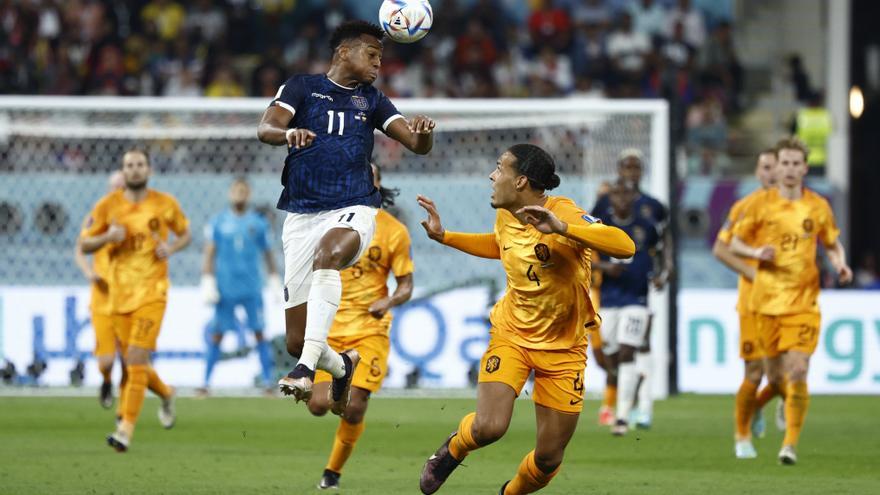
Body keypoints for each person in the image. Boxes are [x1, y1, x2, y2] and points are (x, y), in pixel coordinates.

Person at [417, 144, 635, 495]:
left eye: (499, 168)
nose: (492, 175)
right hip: (512, 335)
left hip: (564, 349)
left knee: (549, 458)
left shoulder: (563, 211)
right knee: (489, 427)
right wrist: (446, 237)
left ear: (520, 181)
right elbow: (499, 244)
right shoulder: (505, 213)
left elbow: (625, 246)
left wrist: (563, 228)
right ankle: (453, 449)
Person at [257, 20, 434, 414]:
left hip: (354, 206)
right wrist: (288, 135)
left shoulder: (372, 100)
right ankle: (341, 366)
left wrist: (424, 134)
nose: (377, 64)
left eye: (380, 57)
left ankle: (305, 369)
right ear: (343, 52)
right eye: (371, 55)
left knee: (328, 255)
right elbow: (266, 127)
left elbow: (416, 144)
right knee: (295, 338)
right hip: (301, 214)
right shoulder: (301, 87)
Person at [730, 137, 852, 465]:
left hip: (803, 304)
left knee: (798, 370)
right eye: (784, 163)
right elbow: (735, 244)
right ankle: (754, 412)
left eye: (796, 163)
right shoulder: (758, 204)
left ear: (804, 168)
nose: (789, 169)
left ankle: (789, 445)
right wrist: (756, 253)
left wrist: (840, 262)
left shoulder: (817, 206)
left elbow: (831, 243)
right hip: (765, 303)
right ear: (777, 166)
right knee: (773, 377)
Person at [307, 163, 414, 490]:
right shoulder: (328, 224)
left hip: (369, 330)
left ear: (378, 186)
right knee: (317, 406)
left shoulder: (394, 230)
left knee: (353, 408)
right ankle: (343, 369)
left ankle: (332, 473)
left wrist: (389, 301)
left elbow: (406, 285)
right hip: (331, 327)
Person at [79, 149, 192, 452]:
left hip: (152, 294)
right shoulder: (107, 206)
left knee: (136, 360)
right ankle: (166, 394)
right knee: (131, 363)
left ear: (149, 170)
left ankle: (125, 429)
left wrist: (172, 248)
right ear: (123, 170)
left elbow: (185, 233)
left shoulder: (165, 203)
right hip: (118, 297)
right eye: (129, 165)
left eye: (140, 164)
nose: (134, 169)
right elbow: (84, 243)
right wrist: (106, 238)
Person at [592, 149, 671, 428]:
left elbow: (663, 242)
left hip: (638, 294)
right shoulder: (602, 209)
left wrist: (664, 271)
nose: (631, 173)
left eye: (636, 167)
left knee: (631, 349)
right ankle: (631, 388)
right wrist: (601, 270)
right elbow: (587, 244)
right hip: (607, 294)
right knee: (607, 355)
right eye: (627, 167)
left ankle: (626, 414)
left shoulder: (651, 211)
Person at [712, 148, 777, 458]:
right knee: (755, 373)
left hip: (791, 302)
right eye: (765, 167)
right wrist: (755, 272)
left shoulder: (803, 207)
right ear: (758, 171)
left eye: (776, 167)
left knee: (786, 374)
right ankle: (742, 436)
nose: (771, 173)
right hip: (754, 302)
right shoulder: (746, 207)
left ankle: (756, 406)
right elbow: (721, 250)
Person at [198, 178, 280, 396]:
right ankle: (205, 383)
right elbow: (209, 252)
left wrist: (273, 279)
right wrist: (207, 280)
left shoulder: (258, 223)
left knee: (260, 333)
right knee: (216, 334)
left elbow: (268, 253)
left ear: (249, 194)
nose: (239, 194)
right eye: (236, 190)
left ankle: (268, 382)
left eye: (243, 190)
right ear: (229, 193)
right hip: (225, 288)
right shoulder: (218, 222)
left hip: (252, 288)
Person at [73, 171, 124, 408]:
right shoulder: (97, 216)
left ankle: (126, 408)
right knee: (106, 361)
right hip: (103, 297)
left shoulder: (139, 216)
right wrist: (89, 273)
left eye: (122, 187)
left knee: (130, 358)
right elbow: (80, 249)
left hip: (131, 297)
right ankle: (106, 380)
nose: (118, 191)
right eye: (114, 187)